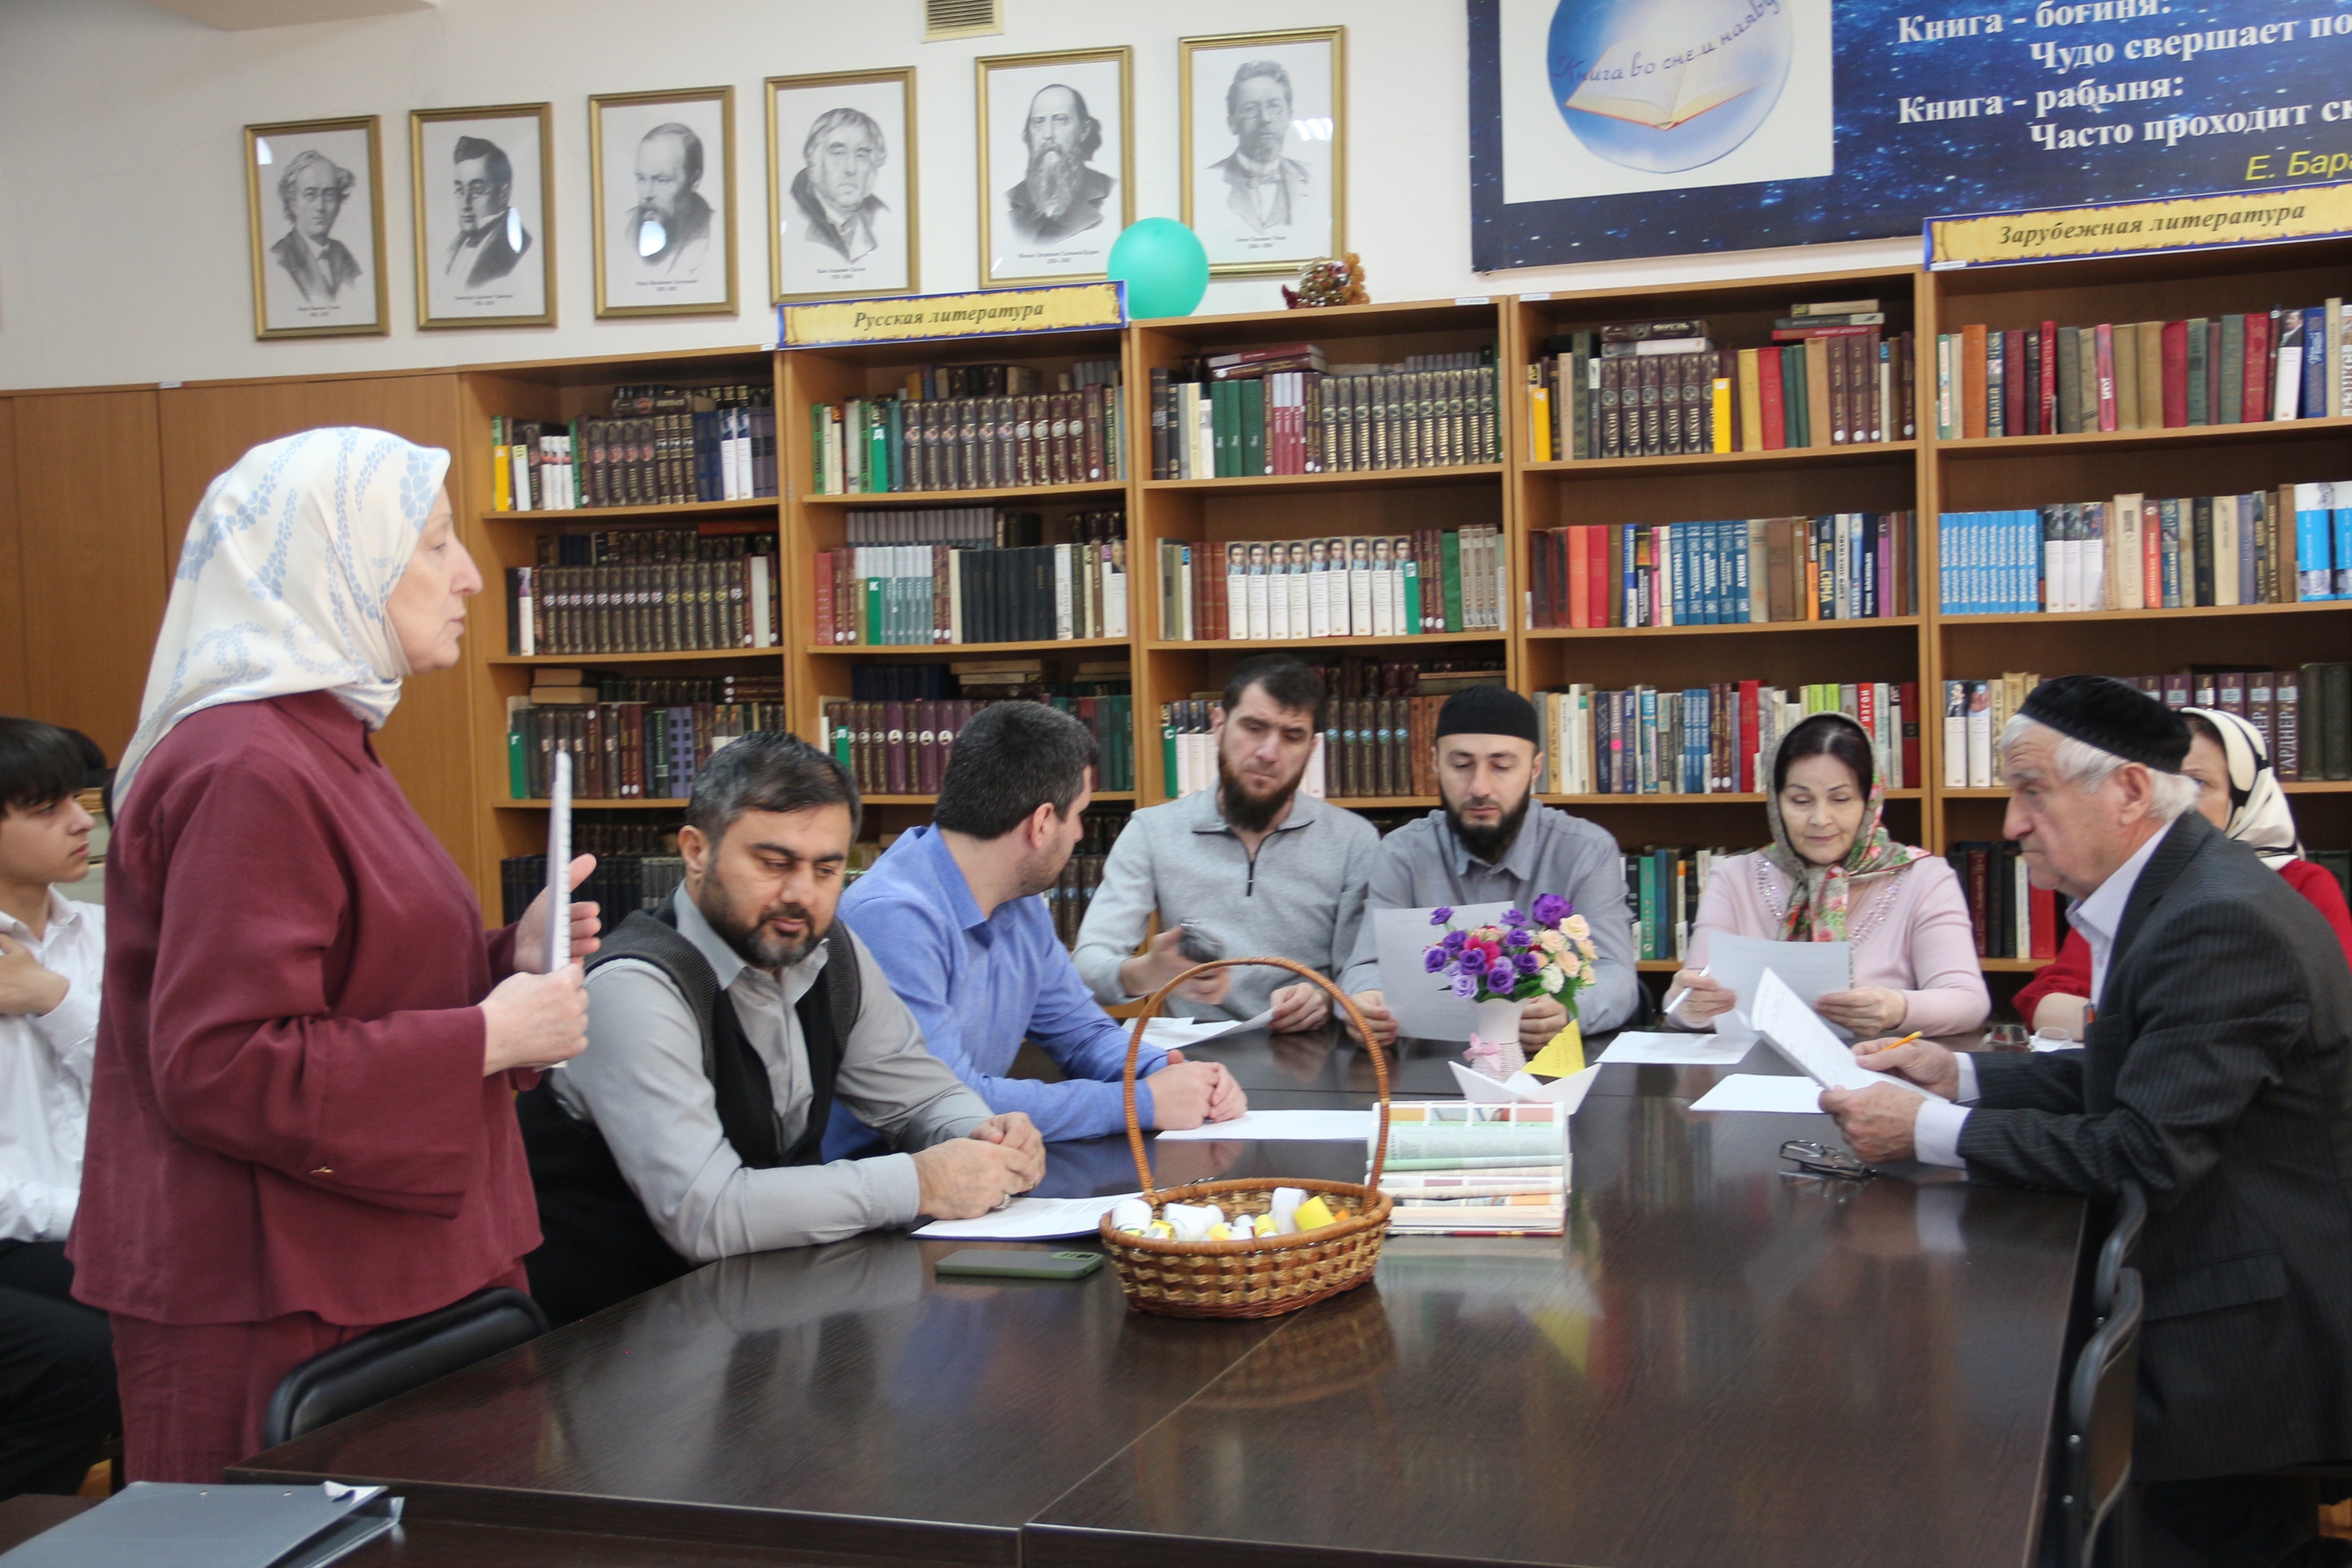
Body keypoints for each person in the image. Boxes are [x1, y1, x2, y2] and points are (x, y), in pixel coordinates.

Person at [69, 427, 596, 1484]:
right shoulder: (244, 765)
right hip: (279, 1288)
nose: (470, 578)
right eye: (435, 544)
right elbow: (222, 1064)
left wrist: (507, 962)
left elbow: (357, 976)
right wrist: (486, 1037)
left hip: (391, 1257)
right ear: (334, 565)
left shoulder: (323, 737)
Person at [1820, 676, 2352, 1566]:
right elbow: (2128, 1080)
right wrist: (1957, 1074)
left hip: (2249, 1335)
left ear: (2131, 791)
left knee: (1995, 1451)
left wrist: (1924, 1130)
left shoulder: (2220, 921)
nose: (2013, 824)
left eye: (2033, 792)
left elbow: (2143, 1151)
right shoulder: (2178, 892)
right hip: (2211, 1276)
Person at [519, 733, 1043, 1327]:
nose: (801, 895)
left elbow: (921, 1095)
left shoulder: (830, 949)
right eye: (774, 864)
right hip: (620, 1335)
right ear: (696, 851)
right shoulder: (632, 987)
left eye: (827, 869)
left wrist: (981, 1135)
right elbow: (706, 1214)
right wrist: (919, 1182)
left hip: (769, 1312)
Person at [836, 702, 1244, 1146]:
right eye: (1080, 815)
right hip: (886, 1173)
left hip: (977, 1168)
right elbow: (949, 1102)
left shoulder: (1019, 901)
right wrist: (1139, 1102)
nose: (1080, 834)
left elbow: (1082, 1035)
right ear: (1043, 823)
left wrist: (1171, 1072)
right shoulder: (892, 919)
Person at [1074, 657, 1377, 1032]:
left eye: (1292, 736)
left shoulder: (1353, 841)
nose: (1269, 752)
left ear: (1313, 748)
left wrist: (1328, 999)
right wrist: (1148, 972)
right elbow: (1086, 968)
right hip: (1191, 1052)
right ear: (1218, 726)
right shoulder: (1151, 832)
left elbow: (1364, 974)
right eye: (1254, 728)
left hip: (1313, 1048)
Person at [2014, 705, 2352, 1040]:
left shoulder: (2301, 885)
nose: (2176, 798)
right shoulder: (2126, 884)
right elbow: (2047, 1001)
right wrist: (2143, 1024)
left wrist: (2126, 1020)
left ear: (2246, 797)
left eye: (2196, 782)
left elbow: (2331, 1010)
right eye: (2162, 782)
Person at [1341, 685, 1639, 1051]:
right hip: (1429, 1066)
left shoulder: (1585, 851)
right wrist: (1366, 1000)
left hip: (1546, 1065)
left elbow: (1616, 974)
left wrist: (1568, 1011)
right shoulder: (1403, 852)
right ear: (1435, 763)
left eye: (1501, 766)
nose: (1480, 787)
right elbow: (1366, 964)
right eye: (1461, 766)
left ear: (1534, 769)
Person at [1664, 713, 1989, 1038]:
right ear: (1776, 803)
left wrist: (1897, 1008)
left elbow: (1968, 1001)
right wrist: (1690, 1005)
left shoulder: (1924, 878)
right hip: (1755, 1066)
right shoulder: (1734, 878)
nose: (1821, 819)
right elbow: (1683, 1002)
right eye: (1801, 801)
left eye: (1841, 799)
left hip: (1878, 1065)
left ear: (1869, 800)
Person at [0, 719, 118, 1498]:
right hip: (22, 1234)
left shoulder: (109, 935)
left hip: (93, 1224)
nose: (82, 823)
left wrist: (53, 998)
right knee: (93, 1351)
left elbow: (154, 1093)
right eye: (47, 810)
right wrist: (95, 1217)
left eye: (79, 800)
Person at [1209, 60, 1311, 235]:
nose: (1265, 118)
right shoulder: (1208, 182)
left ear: (1289, 117)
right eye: (1251, 109)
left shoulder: (1312, 178)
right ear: (1232, 123)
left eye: (1274, 106)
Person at [1005, 84, 1114, 245]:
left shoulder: (1110, 192)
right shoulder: (1010, 199)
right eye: (1038, 122)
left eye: (1061, 120)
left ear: (1084, 131)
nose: (1048, 134)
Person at [791, 107, 889, 265]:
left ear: (873, 167)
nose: (851, 169)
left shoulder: (882, 219)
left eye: (861, 156)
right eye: (838, 153)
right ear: (815, 161)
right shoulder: (793, 219)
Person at [270, 150, 362, 303]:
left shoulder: (342, 254)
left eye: (329, 195)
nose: (320, 206)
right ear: (293, 202)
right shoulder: (280, 258)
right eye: (310, 194)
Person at [444, 135, 529, 288]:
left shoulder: (518, 250)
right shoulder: (450, 251)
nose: (465, 204)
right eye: (460, 190)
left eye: (477, 190)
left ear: (503, 195)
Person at [630, 122, 713, 274]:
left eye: (662, 181)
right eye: (641, 179)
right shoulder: (620, 230)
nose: (647, 194)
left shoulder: (717, 234)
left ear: (695, 179)